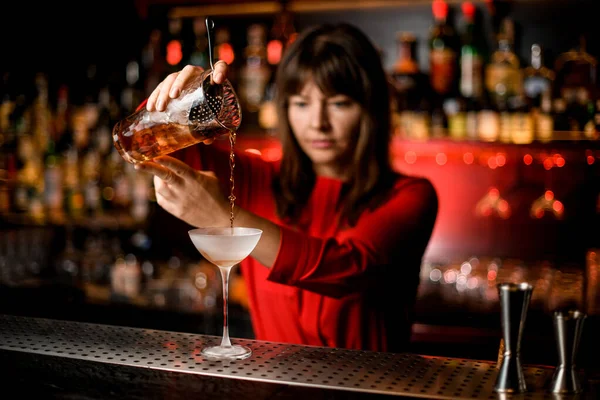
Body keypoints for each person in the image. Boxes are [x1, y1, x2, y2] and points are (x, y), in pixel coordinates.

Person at [135, 23, 439, 353]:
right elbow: (148, 144)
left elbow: (344, 269)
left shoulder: (411, 196)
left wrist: (224, 216)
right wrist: (177, 101)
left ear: (371, 110)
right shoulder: (257, 179)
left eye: (338, 103)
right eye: (301, 103)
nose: (318, 122)